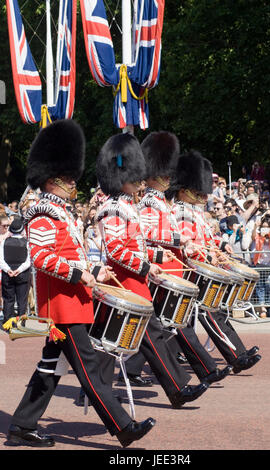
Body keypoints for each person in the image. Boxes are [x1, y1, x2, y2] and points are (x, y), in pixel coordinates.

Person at [6, 119, 156, 449]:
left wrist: (96, 271)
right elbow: (42, 258)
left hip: (74, 300)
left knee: (51, 367)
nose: (73, 182)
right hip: (62, 306)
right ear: (51, 179)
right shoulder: (44, 214)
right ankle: (123, 426)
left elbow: (73, 256)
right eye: (68, 178)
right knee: (88, 368)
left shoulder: (64, 212)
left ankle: (21, 426)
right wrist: (78, 274)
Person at [96, 132, 208, 408]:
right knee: (130, 338)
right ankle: (177, 387)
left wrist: (159, 255)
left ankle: (99, 389)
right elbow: (117, 252)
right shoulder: (112, 208)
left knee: (122, 339)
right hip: (124, 282)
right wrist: (148, 266)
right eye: (135, 175)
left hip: (136, 281)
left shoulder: (127, 206)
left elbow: (139, 244)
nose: (140, 180)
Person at [119, 131, 232, 387]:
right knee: (174, 322)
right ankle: (207, 369)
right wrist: (179, 239)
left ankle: (132, 369)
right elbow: (146, 232)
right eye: (164, 173)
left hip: (171, 267)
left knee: (162, 324)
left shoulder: (160, 200)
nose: (168, 178)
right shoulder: (149, 199)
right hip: (160, 268)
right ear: (153, 175)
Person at [169, 150, 261, 374]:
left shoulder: (195, 211)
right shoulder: (179, 212)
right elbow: (187, 244)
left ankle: (237, 354)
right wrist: (206, 255)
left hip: (203, 267)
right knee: (205, 314)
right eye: (196, 190)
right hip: (192, 270)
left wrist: (220, 245)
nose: (202, 195)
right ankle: (235, 356)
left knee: (187, 319)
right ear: (183, 190)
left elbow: (206, 237)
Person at [0, 216, 31, 324]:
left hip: (7, 274)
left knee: (8, 299)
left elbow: (1, 259)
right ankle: (21, 323)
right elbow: (29, 260)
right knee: (22, 300)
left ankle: (7, 323)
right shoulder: (26, 243)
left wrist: (8, 269)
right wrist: (20, 269)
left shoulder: (5, 242)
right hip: (22, 274)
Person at [251, 214, 270, 317]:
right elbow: (253, 238)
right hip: (259, 263)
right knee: (260, 286)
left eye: (267, 227)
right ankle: (262, 307)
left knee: (268, 284)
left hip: (269, 263)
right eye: (263, 227)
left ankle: (267, 305)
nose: (265, 229)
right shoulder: (258, 234)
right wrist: (259, 232)